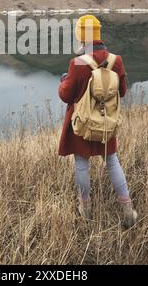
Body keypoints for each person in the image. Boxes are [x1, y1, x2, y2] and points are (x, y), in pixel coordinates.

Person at [58, 15, 137, 228]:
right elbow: (122, 92)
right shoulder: (116, 60)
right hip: (106, 122)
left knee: (81, 164)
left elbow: (66, 96)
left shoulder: (76, 63)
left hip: (82, 124)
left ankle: (86, 210)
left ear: (81, 36)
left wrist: (63, 81)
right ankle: (128, 209)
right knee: (112, 161)